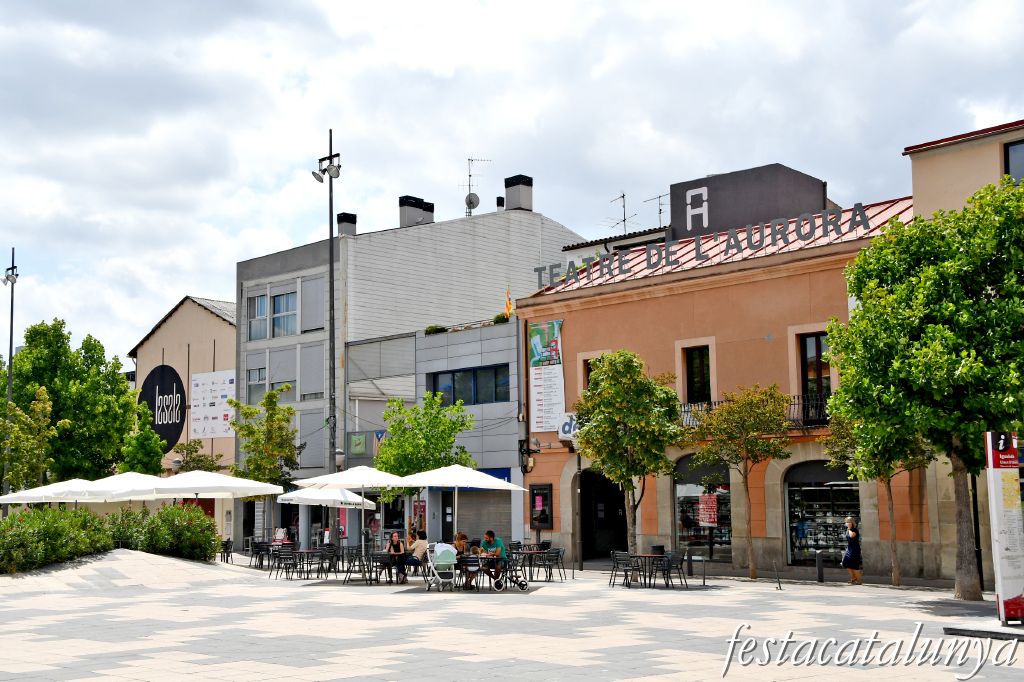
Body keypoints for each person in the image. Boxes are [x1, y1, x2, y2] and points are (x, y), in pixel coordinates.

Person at [841, 516, 862, 585]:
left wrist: (849, 529)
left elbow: (852, 536)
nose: (847, 523)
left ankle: (858, 581)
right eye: (847, 522)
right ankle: (853, 578)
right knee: (845, 562)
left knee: (855, 565)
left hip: (855, 549)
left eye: (849, 522)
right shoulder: (848, 530)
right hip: (849, 548)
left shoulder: (854, 530)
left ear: (852, 523)